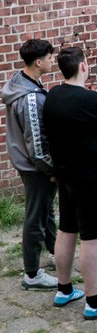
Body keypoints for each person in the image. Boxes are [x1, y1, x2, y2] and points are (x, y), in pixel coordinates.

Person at [43, 46, 97, 318]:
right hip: (91, 178)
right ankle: (94, 302)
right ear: (84, 67)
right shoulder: (93, 101)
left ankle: (64, 289)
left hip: (65, 175)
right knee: (91, 237)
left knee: (67, 230)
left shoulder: (52, 96)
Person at [2, 39, 57, 290]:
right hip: (36, 168)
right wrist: (52, 169)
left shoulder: (22, 81)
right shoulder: (31, 97)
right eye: (48, 58)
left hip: (30, 164)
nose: (51, 61)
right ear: (38, 62)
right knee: (36, 217)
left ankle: (56, 253)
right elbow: (36, 144)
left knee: (46, 211)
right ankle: (32, 274)